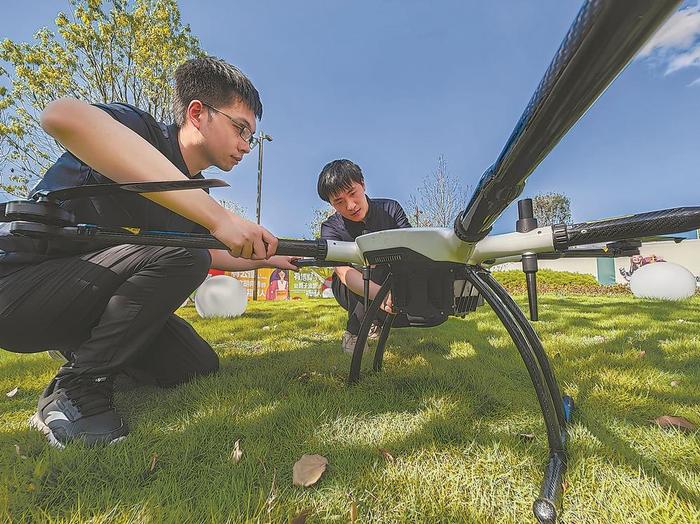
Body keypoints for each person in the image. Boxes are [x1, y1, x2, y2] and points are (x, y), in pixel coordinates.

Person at [0, 56, 297, 448]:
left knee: (196, 365)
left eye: (251, 136)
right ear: (197, 113)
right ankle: (74, 389)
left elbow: (214, 249)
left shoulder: (196, 194)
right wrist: (218, 218)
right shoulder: (137, 129)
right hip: (20, 292)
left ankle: (93, 351)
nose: (246, 145)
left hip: (89, 300)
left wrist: (272, 256)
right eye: (240, 128)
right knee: (184, 255)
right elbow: (62, 115)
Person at [317, 159, 412, 354]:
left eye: (353, 193)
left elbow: (410, 252)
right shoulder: (330, 228)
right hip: (348, 286)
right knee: (363, 267)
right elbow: (342, 272)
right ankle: (353, 332)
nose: (350, 206)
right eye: (339, 202)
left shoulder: (391, 210)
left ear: (363, 184)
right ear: (331, 203)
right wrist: (381, 294)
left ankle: (374, 321)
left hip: (392, 279)